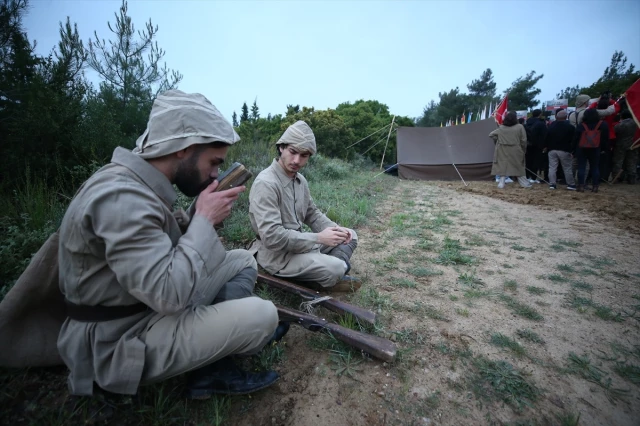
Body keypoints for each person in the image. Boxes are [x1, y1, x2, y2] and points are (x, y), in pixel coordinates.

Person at [57, 90, 281, 399]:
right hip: (119, 338)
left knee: (242, 260)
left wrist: (195, 218)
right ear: (184, 149)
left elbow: (157, 245)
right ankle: (215, 356)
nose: (216, 173)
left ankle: (214, 350)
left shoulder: (137, 185)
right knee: (262, 315)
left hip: (145, 305)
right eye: (214, 162)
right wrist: (203, 220)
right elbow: (169, 296)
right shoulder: (121, 196)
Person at [249, 121, 359, 291]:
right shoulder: (266, 183)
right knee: (335, 268)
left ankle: (329, 270)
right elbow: (272, 237)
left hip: (300, 246)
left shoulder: (300, 180)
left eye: (304, 155)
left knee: (350, 234)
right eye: (292, 152)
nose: (296, 161)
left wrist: (335, 230)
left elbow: (312, 213)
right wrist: (319, 238)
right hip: (277, 256)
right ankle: (331, 271)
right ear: (281, 148)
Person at [489, 111, 532, 189]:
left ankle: (501, 183)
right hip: (516, 148)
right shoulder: (520, 127)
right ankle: (524, 183)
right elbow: (523, 140)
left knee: (503, 165)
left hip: (503, 149)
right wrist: (523, 149)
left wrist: (499, 141)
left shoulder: (502, 127)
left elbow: (491, 134)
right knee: (518, 165)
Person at [575, 108, 609, 193]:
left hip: (582, 148)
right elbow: (605, 139)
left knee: (581, 167)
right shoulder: (603, 125)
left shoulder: (581, 125)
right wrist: (604, 149)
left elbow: (576, 138)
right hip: (596, 148)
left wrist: (573, 149)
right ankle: (595, 187)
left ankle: (581, 186)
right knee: (595, 167)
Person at [544, 110, 576, 190]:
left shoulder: (551, 126)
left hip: (552, 149)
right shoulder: (570, 127)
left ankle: (552, 184)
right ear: (566, 117)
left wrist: (546, 146)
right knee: (567, 167)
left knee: (552, 167)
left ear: (557, 117)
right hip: (564, 150)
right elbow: (573, 139)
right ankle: (570, 184)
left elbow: (546, 137)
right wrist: (572, 150)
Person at [612, 109, 639, 184]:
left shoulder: (621, 124)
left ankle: (616, 178)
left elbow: (615, 130)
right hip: (634, 144)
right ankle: (631, 179)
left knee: (618, 162)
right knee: (632, 162)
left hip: (621, 144)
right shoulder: (636, 123)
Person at [524, 109, 548, 183]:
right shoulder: (541, 124)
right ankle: (533, 177)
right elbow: (545, 135)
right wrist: (545, 145)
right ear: (540, 114)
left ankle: (527, 176)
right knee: (536, 161)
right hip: (538, 145)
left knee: (528, 161)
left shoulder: (527, 123)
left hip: (527, 144)